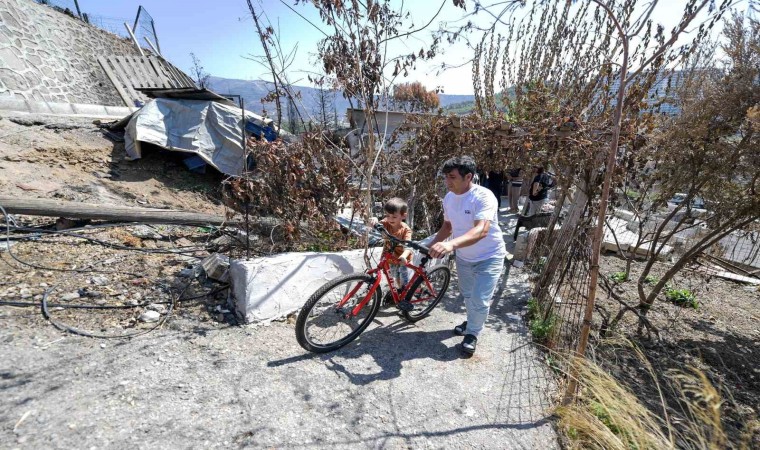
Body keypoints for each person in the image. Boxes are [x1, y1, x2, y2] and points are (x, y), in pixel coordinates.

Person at [428, 156, 507, 355]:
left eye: (452, 177)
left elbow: (481, 230)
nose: (447, 182)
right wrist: (430, 245)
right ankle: (472, 321)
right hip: (464, 257)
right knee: (468, 295)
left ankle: (472, 333)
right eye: (446, 177)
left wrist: (450, 245)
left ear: (468, 177)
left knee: (480, 299)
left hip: (490, 256)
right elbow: (448, 226)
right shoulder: (449, 198)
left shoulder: (483, 197)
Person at [370, 197, 414, 310]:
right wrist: (373, 220)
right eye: (387, 215)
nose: (390, 219)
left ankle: (406, 298)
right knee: (395, 277)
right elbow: (374, 225)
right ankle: (399, 292)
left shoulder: (406, 230)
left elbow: (408, 246)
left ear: (403, 216)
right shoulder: (386, 223)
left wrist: (404, 256)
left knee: (404, 281)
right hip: (390, 258)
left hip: (403, 259)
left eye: (394, 217)